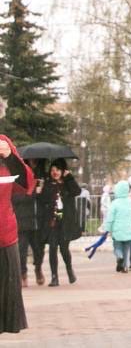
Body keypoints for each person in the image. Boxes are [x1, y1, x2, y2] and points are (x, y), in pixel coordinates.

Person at [0, 136, 34, 333]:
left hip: (4, 236)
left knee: (5, 298)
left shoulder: (4, 145)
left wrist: (10, 156)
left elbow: (26, 183)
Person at [37, 158, 81, 286]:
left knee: (64, 249)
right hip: (52, 222)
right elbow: (43, 200)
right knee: (52, 249)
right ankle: (54, 277)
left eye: (57, 170)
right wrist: (39, 191)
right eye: (52, 170)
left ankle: (69, 269)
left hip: (64, 222)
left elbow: (77, 191)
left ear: (62, 171)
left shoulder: (67, 183)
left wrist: (69, 177)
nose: (54, 172)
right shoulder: (49, 184)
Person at [12, 163, 44, 287]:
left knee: (38, 250)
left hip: (36, 223)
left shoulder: (35, 183)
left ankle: (38, 269)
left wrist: (39, 190)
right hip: (22, 223)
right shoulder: (16, 185)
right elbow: (17, 199)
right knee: (22, 251)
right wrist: (33, 193)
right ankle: (23, 274)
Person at [102, 179, 131, 273]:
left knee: (117, 247)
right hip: (129, 229)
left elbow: (110, 218)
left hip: (117, 230)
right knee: (126, 249)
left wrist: (107, 229)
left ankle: (119, 257)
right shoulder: (130, 202)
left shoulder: (115, 203)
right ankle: (125, 267)